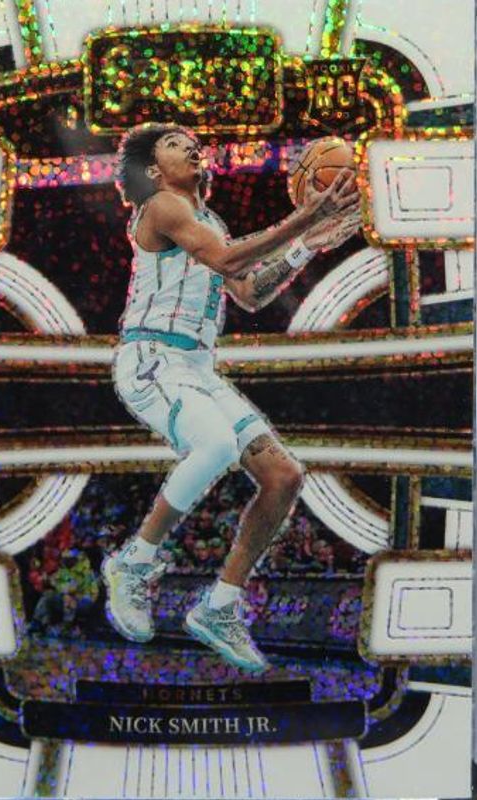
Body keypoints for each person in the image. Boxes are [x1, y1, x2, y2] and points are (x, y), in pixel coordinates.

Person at [102, 123, 359, 672]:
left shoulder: (210, 223)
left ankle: (219, 607)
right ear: (154, 170)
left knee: (284, 476)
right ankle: (134, 562)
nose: (191, 145)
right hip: (152, 357)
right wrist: (305, 218)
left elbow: (247, 292)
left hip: (196, 367)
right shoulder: (162, 207)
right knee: (216, 446)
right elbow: (225, 262)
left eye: (192, 141)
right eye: (175, 144)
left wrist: (305, 248)